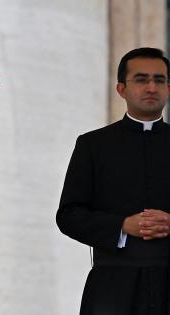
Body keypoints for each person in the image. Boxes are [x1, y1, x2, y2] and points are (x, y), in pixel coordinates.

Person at [57, 47, 170, 315]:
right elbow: (69, 215)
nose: (152, 87)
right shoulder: (93, 145)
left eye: (160, 80)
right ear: (121, 88)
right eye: (141, 79)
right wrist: (121, 226)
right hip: (112, 287)